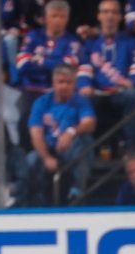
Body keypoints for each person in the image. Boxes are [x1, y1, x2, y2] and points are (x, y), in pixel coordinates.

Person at [77, 0, 135, 151]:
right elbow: (84, 68)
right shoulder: (90, 43)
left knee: (132, 94)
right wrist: (85, 85)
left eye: (114, 12)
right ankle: (87, 147)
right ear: (99, 16)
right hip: (97, 91)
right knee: (81, 97)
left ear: (120, 17)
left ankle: (130, 146)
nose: (110, 16)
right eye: (106, 12)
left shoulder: (130, 42)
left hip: (120, 91)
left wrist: (132, 81)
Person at [27, 63, 97, 204]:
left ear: (74, 85)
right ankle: (34, 202)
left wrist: (71, 132)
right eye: (61, 82)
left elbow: (90, 123)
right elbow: (35, 133)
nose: (64, 86)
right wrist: (46, 157)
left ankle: (77, 190)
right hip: (48, 148)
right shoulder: (42, 102)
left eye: (69, 82)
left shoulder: (81, 101)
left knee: (84, 140)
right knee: (30, 159)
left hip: (70, 148)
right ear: (54, 83)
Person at [16, 0, 82, 95]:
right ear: (46, 18)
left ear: (67, 19)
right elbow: (21, 64)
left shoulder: (73, 42)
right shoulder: (32, 36)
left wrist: (40, 61)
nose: (57, 20)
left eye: (62, 17)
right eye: (54, 16)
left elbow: (66, 69)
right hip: (29, 88)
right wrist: (51, 69)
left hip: (57, 93)